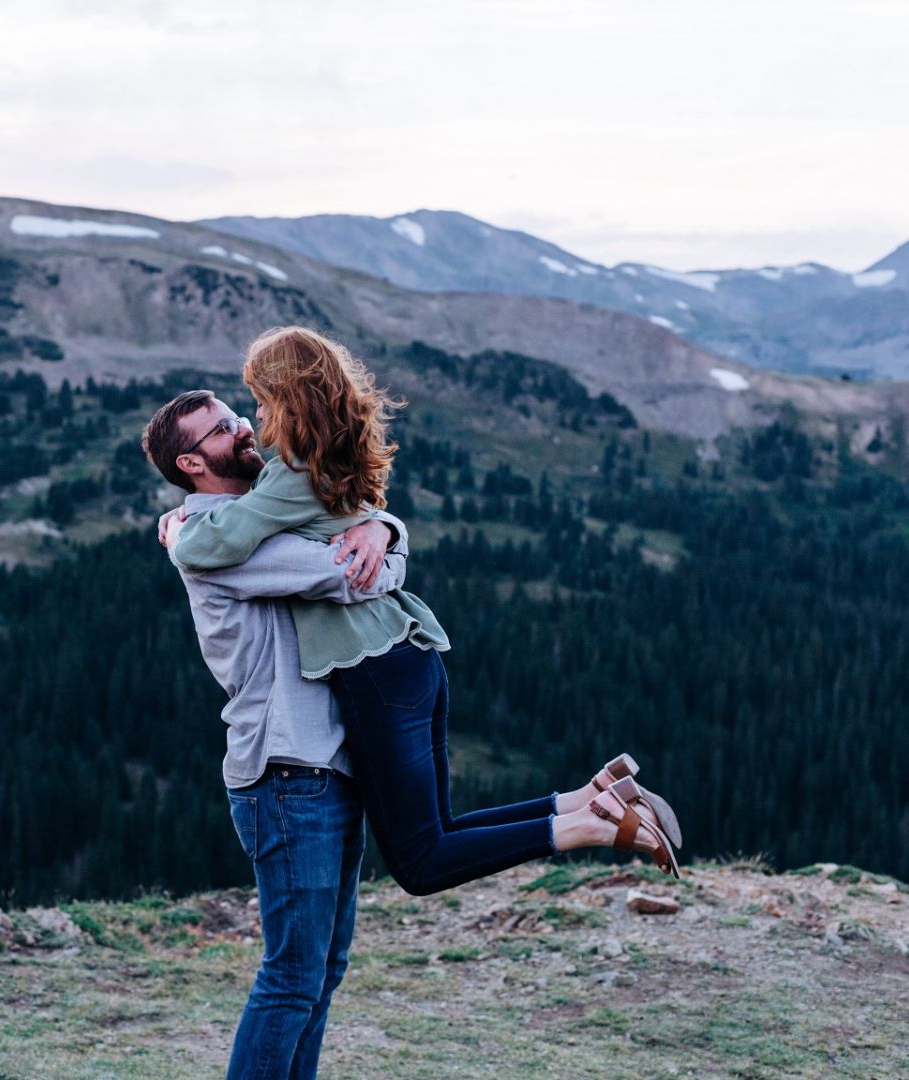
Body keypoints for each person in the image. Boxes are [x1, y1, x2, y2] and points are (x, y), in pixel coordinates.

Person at [164, 326, 684, 899]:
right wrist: (384, 528)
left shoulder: (290, 475)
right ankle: (591, 798)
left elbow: (210, 547)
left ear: (288, 397)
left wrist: (178, 527)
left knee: (419, 863)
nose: (254, 418)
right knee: (439, 830)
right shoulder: (328, 458)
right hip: (409, 657)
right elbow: (352, 528)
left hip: (371, 670)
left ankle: (596, 827)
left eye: (259, 401)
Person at [141, 388, 409, 1079]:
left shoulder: (255, 519)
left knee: (322, 972)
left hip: (325, 767)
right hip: (287, 775)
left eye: (238, 416)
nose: (244, 429)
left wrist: (384, 529)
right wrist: (381, 544)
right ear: (192, 462)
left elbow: (364, 547)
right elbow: (348, 575)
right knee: (292, 977)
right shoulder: (214, 539)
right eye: (222, 429)